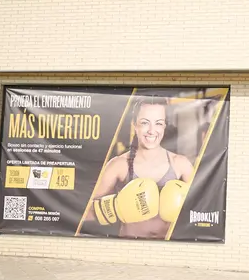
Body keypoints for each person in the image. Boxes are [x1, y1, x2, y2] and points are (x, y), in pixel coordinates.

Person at [83, 95, 195, 239]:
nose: (151, 130)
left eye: (158, 123)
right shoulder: (119, 165)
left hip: (168, 249)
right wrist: (117, 207)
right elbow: (85, 214)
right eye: (145, 122)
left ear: (164, 126)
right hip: (129, 247)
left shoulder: (181, 164)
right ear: (134, 125)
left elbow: (203, 209)